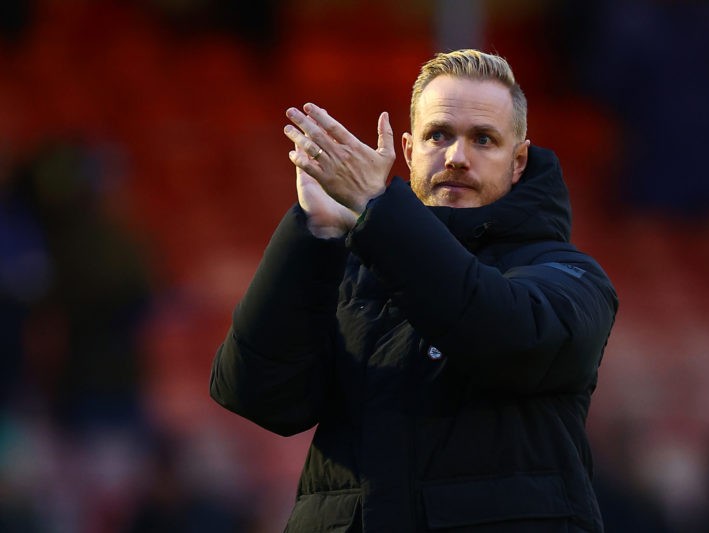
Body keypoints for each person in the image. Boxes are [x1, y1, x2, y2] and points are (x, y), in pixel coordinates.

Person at [210, 49, 618, 532]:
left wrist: (379, 216)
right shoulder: (347, 266)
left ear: (518, 161)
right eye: (438, 135)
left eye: (483, 139)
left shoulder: (569, 275)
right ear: (408, 151)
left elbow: (506, 334)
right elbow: (258, 395)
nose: (457, 157)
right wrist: (312, 233)